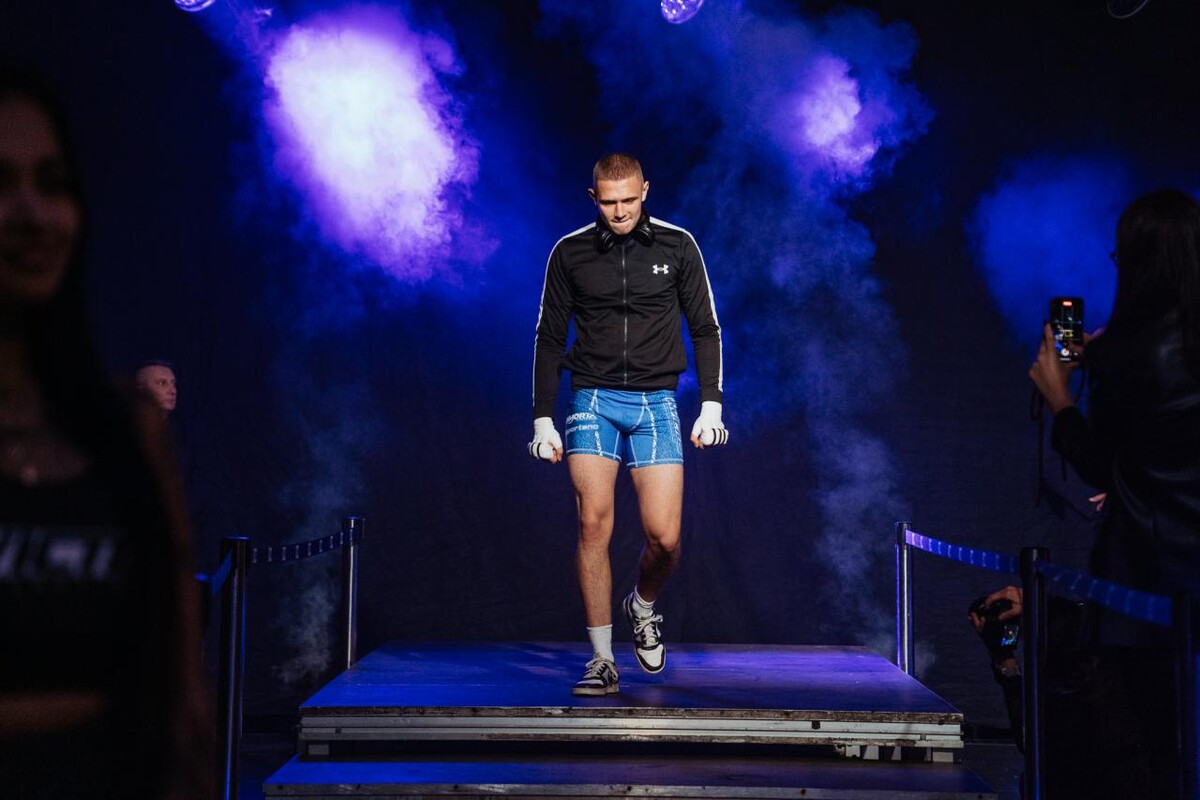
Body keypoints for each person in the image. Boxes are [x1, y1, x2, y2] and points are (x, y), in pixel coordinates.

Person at [0, 63, 213, 797]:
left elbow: (184, 707)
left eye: (52, 181)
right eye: (0, 183)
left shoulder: (128, 430)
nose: (31, 212)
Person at [984, 187, 1200, 799]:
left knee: (1155, 750)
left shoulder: (1124, 353)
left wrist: (1060, 398)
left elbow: (1098, 464)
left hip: (1148, 588)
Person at [530, 153, 727, 696]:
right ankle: (601, 660)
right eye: (609, 202)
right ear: (593, 198)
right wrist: (542, 418)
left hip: (656, 402)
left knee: (665, 538)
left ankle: (641, 606)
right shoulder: (569, 252)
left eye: (629, 201)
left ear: (645, 191)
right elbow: (549, 337)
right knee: (593, 525)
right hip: (591, 399)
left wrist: (711, 404)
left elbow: (705, 327)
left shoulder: (678, 246)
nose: (619, 212)